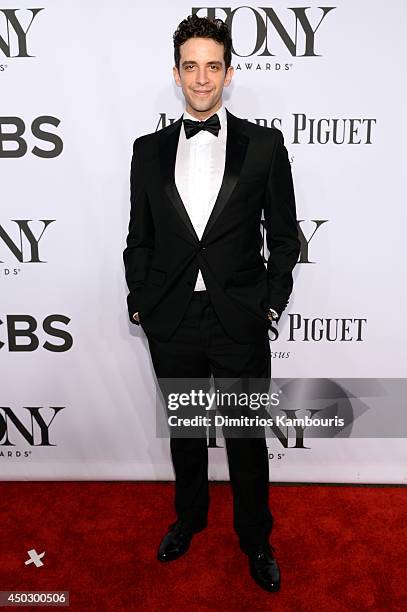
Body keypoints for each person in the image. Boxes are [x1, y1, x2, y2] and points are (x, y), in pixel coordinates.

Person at [123, 14, 300, 593]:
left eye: (213, 66)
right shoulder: (146, 151)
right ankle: (190, 518)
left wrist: (269, 305)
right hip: (173, 319)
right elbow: (140, 237)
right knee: (186, 430)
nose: (203, 78)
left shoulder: (265, 146)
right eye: (191, 66)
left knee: (247, 438)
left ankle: (255, 539)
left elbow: (284, 235)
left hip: (239, 318)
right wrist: (142, 302)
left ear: (229, 73)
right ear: (176, 74)